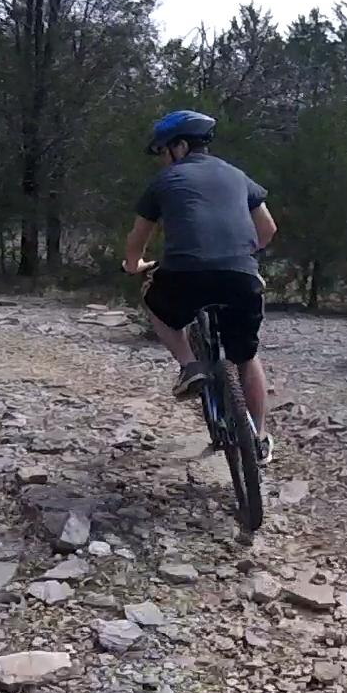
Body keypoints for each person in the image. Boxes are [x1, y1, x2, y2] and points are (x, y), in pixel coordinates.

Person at [124, 109, 279, 464]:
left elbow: (137, 241)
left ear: (179, 146)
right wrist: (240, 254)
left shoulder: (164, 182)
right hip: (240, 273)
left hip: (184, 274)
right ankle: (259, 436)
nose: (163, 160)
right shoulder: (238, 176)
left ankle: (189, 365)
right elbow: (268, 230)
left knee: (152, 298)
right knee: (247, 356)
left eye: (163, 151)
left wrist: (134, 266)